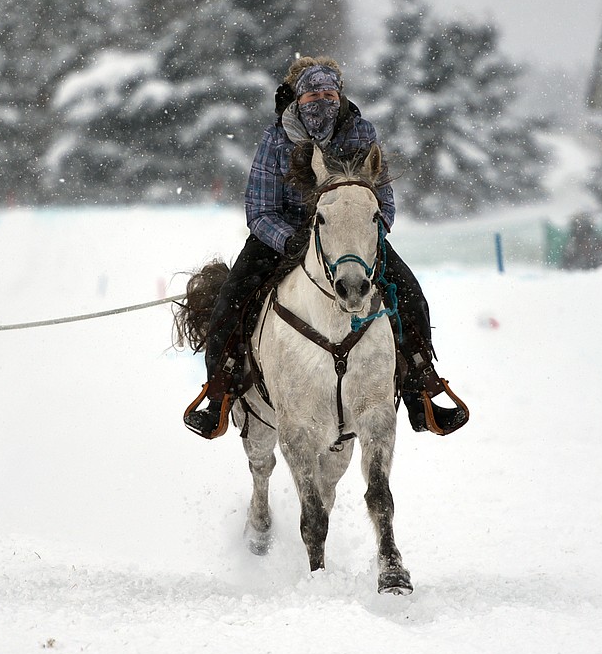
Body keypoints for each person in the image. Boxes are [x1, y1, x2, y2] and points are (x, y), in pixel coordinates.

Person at [184, 56, 469, 439]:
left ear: (340, 95)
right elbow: (259, 210)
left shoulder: (361, 132)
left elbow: (384, 204)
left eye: (329, 92)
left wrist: (365, 233)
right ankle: (219, 392)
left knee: (411, 295)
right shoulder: (275, 139)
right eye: (314, 93)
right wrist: (292, 240)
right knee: (231, 298)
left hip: (350, 240)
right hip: (283, 238)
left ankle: (422, 388)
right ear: (297, 99)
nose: (323, 100)